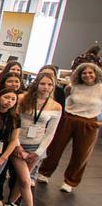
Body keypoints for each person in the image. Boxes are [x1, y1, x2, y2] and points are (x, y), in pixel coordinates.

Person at [0, 73, 62, 206]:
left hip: (36, 148)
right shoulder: (22, 99)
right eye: (42, 84)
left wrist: (39, 152)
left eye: (49, 84)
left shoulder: (56, 106)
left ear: (53, 86)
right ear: (36, 84)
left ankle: (10, 203)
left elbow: (50, 133)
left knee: (23, 179)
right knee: (26, 180)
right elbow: (14, 121)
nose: (45, 87)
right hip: (18, 144)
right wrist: (18, 145)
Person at [38, 63, 102, 192]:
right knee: (55, 147)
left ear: (96, 74)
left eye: (90, 72)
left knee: (81, 154)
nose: (87, 75)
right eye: (84, 73)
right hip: (69, 118)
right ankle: (44, 173)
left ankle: (70, 181)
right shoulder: (72, 87)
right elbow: (64, 101)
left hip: (89, 123)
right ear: (79, 75)